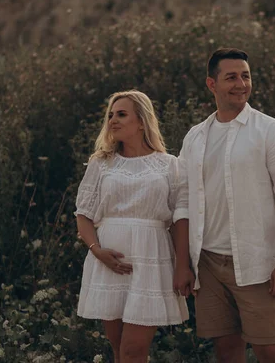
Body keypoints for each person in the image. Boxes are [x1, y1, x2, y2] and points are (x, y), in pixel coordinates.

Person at [172, 48, 275, 363]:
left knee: (271, 351)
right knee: (226, 351)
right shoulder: (195, 137)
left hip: (256, 263)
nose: (240, 84)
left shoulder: (273, 132)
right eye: (231, 77)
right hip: (207, 263)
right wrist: (183, 263)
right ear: (211, 84)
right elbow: (182, 202)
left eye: (245, 76)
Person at [74, 90, 188, 363]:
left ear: (141, 121)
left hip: (151, 260)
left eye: (122, 114)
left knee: (133, 350)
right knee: (118, 349)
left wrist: (183, 264)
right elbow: (83, 214)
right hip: (108, 261)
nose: (113, 120)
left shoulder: (170, 165)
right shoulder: (101, 163)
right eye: (110, 115)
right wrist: (97, 250)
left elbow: (179, 220)